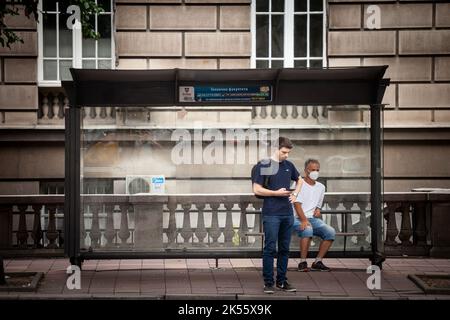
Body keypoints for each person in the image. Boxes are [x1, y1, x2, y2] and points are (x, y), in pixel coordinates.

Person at [252, 136, 303, 294]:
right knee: (269, 249)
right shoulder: (263, 165)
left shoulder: (289, 165)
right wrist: (275, 193)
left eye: (288, 153)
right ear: (275, 149)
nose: (286, 155)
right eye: (283, 152)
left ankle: (282, 281)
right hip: (272, 214)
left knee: (284, 249)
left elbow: (300, 179)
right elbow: (256, 189)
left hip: (287, 213)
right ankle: (269, 283)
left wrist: (295, 194)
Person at [293, 159, 335, 272]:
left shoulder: (321, 187)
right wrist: (304, 220)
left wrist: (317, 210)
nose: (315, 172)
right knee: (307, 229)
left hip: (312, 218)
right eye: (313, 170)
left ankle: (318, 261)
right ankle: (302, 262)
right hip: (297, 217)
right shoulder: (299, 184)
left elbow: (318, 205)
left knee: (330, 232)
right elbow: (297, 205)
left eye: (317, 170)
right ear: (306, 171)